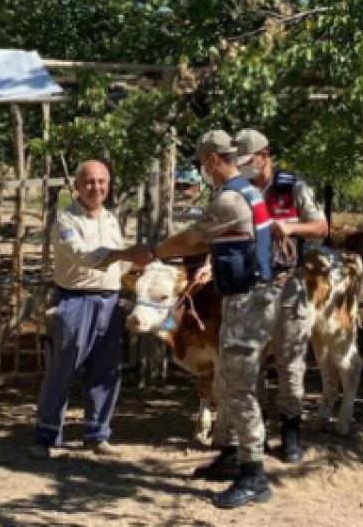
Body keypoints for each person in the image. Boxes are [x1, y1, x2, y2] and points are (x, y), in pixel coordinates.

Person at [124, 130, 280, 509]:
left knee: (239, 389)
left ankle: (253, 475)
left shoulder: (229, 198)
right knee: (229, 384)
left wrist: (152, 251)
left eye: (201, 164)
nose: (202, 172)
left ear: (212, 160)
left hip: (246, 300)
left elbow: (192, 241)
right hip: (249, 296)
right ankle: (231, 455)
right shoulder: (248, 190)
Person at [31, 160, 142, 459]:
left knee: (106, 371)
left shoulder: (110, 218)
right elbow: (83, 256)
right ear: (77, 186)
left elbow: (119, 264)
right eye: (90, 182)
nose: (96, 187)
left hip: (109, 302)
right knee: (62, 369)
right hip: (74, 301)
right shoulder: (66, 221)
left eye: (102, 181)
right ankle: (47, 434)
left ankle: (97, 433)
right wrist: (123, 253)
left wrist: (139, 264)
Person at [235, 128, 330, 464]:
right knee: (250, 364)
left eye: (249, 161)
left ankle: (291, 433)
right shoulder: (238, 190)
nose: (245, 168)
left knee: (290, 364)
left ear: (266, 154)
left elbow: (321, 228)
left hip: (289, 287)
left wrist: (290, 228)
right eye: (239, 162)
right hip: (250, 289)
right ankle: (253, 436)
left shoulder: (293, 188)